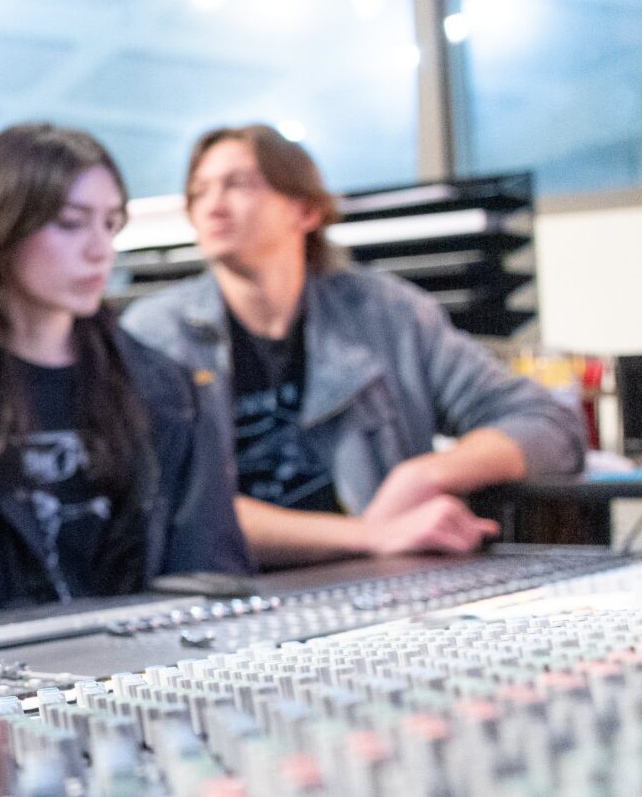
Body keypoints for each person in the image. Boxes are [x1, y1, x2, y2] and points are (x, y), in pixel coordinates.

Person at [122, 124, 585, 566]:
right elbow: (174, 509)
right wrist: (371, 534)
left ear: (306, 210)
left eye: (238, 184)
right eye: (199, 191)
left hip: (376, 585)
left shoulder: (385, 316)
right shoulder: (157, 334)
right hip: (229, 594)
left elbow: (547, 424)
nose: (212, 206)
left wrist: (427, 473)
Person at [0, 126, 248, 612]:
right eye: (71, 222)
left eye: (110, 224)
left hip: (153, 669)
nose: (100, 250)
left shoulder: (168, 391)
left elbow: (208, 578)